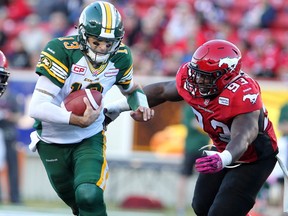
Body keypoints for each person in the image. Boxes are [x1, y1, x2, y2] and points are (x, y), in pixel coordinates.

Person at [105, 39, 278, 216]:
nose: (198, 80)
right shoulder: (192, 78)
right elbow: (162, 91)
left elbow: (244, 135)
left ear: (226, 76)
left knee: (222, 212)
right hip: (221, 149)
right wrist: (118, 107)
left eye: (206, 76)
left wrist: (224, 158)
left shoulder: (243, 92)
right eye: (197, 73)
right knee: (200, 207)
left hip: (254, 157)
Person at [28, 1, 154, 216]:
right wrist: (77, 119)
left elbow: (132, 90)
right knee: (78, 206)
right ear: (83, 34)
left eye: (109, 43)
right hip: (52, 140)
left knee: (89, 195)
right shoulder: (61, 50)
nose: (103, 48)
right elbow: (37, 107)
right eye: (97, 41)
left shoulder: (121, 55)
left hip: (89, 136)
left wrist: (141, 107)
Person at [176, 104, 210, 216]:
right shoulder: (189, 109)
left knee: (207, 180)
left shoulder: (206, 107)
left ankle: (206, 207)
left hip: (204, 148)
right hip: (191, 148)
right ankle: (180, 208)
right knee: (184, 177)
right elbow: (190, 124)